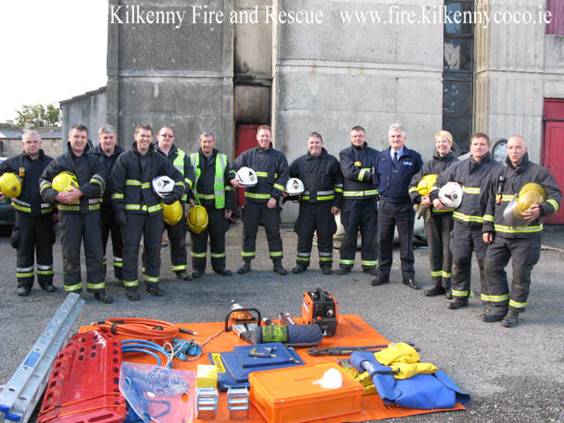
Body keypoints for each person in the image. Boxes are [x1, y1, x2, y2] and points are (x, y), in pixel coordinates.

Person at [482, 135, 561, 327]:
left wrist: (542, 209)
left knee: (520, 274)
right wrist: (487, 227)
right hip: (500, 235)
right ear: (506, 150)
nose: (514, 151)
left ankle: (514, 311)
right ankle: (500, 307)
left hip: (526, 237)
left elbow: (556, 196)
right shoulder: (500, 172)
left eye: (518, 147)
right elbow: (491, 202)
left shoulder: (538, 173)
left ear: (525, 149)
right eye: (511, 148)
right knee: (491, 266)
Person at [111, 124, 185, 300]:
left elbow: (178, 178)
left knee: (153, 249)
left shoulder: (159, 159)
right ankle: (130, 287)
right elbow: (116, 187)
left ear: (152, 138)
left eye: (148, 136)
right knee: (130, 250)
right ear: (135, 136)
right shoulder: (124, 158)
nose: (145, 139)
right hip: (131, 215)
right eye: (142, 135)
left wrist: (174, 195)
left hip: (154, 214)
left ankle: (152, 284)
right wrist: (119, 210)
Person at [40, 124, 112, 303]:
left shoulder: (95, 160)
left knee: (95, 252)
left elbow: (100, 184)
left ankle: (98, 290)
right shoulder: (59, 161)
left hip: (91, 214)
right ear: (69, 139)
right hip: (68, 217)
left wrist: (79, 192)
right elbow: (43, 182)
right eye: (76, 137)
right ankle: (73, 291)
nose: (79, 140)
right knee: (70, 253)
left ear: (87, 139)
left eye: (82, 137)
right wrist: (55, 195)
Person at [431, 133, 502, 310]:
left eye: (483, 144)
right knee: (459, 261)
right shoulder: (459, 167)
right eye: (476, 144)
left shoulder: (497, 169)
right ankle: (460, 297)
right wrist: (435, 198)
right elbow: (439, 181)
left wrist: (490, 227)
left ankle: (489, 300)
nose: (479, 147)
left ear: (488, 147)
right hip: (461, 226)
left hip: (483, 228)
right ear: (470, 147)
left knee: (485, 265)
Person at [0, 130, 55, 296]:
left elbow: (59, 185)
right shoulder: (13, 163)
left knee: (46, 250)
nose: (32, 144)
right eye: (29, 142)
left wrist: (57, 210)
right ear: (23, 144)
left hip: (45, 216)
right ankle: (24, 284)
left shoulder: (51, 163)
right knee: (24, 250)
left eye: (35, 141)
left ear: (41, 143)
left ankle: (46, 283)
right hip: (23, 216)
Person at [230, 125, 289, 275]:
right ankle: (246, 263)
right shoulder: (247, 155)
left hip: (270, 204)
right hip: (251, 205)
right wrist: (232, 179)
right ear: (257, 137)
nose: (264, 139)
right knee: (248, 233)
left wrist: (275, 196)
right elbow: (232, 167)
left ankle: (277, 264)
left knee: (274, 234)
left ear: (271, 138)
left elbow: (283, 177)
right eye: (262, 136)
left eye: (267, 136)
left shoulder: (279, 157)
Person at [371, 123, 423, 288]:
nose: (396, 139)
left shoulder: (414, 157)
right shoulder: (381, 157)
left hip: (405, 206)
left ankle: (408, 276)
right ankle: (383, 274)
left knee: (406, 243)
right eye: (393, 136)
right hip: (386, 204)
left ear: (404, 138)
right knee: (383, 240)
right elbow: (375, 177)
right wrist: (382, 190)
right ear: (389, 138)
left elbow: (420, 180)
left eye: (399, 136)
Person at [408, 130, 458, 297]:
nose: (441, 145)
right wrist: (419, 199)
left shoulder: (457, 165)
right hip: (431, 214)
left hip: (449, 215)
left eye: (445, 142)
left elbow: (460, 190)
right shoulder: (428, 165)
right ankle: (437, 284)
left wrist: (440, 200)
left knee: (448, 250)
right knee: (434, 249)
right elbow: (413, 184)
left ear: (450, 144)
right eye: (439, 142)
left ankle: (448, 285)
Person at [289, 132, 342, 275]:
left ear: (322, 144)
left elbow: (339, 185)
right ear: (308, 144)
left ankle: (326, 265)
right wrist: (289, 193)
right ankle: (301, 264)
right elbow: (288, 178)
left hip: (326, 208)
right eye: (311, 143)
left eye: (317, 142)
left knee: (325, 236)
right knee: (304, 235)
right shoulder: (299, 162)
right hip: (306, 207)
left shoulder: (332, 162)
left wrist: (337, 204)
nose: (314, 145)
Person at [188, 132, 234, 278]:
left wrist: (229, 206)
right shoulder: (192, 159)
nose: (206, 145)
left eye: (209, 142)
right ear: (200, 142)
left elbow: (228, 185)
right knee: (198, 238)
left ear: (214, 142)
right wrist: (189, 199)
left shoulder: (223, 159)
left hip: (217, 207)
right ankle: (198, 269)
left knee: (218, 237)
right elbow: (187, 181)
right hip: (198, 206)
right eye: (204, 142)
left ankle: (219, 267)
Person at [337, 126, 379, 276]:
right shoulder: (345, 154)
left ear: (365, 137)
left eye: (360, 136)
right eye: (355, 136)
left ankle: (369, 266)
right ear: (351, 137)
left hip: (370, 202)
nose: (357, 138)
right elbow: (348, 172)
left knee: (370, 234)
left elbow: (379, 171)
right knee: (350, 234)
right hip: (351, 203)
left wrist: (367, 174)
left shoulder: (375, 154)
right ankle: (345, 265)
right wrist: (370, 175)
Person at [154, 126, 195, 281]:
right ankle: (152, 272)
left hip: (177, 202)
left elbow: (190, 176)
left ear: (173, 138)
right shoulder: (150, 154)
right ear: (158, 136)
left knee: (178, 238)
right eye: (164, 135)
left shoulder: (182, 155)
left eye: (170, 136)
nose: (167, 138)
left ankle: (180, 269)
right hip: (156, 203)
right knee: (154, 239)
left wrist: (183, 188)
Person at [91, 125, 124, 283]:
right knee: (99, 244)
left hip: (119, 207)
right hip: (98, 208)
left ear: (115, 138)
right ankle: (99, 276)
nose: (108, 141)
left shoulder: (124, 155)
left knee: (120, 243)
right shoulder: (91, 155)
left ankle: (121, 275)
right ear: (100, 138)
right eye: (105, 138)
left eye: (111, 137)